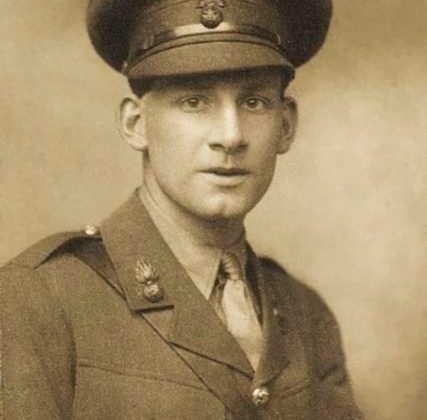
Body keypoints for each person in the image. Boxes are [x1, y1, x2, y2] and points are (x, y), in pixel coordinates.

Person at [0, 0, 364, 418]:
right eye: (194, 102)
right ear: (135, 124)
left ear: (286, 126)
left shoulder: (306, 315)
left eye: (254, 103)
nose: (230, 136)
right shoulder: (39, 300)